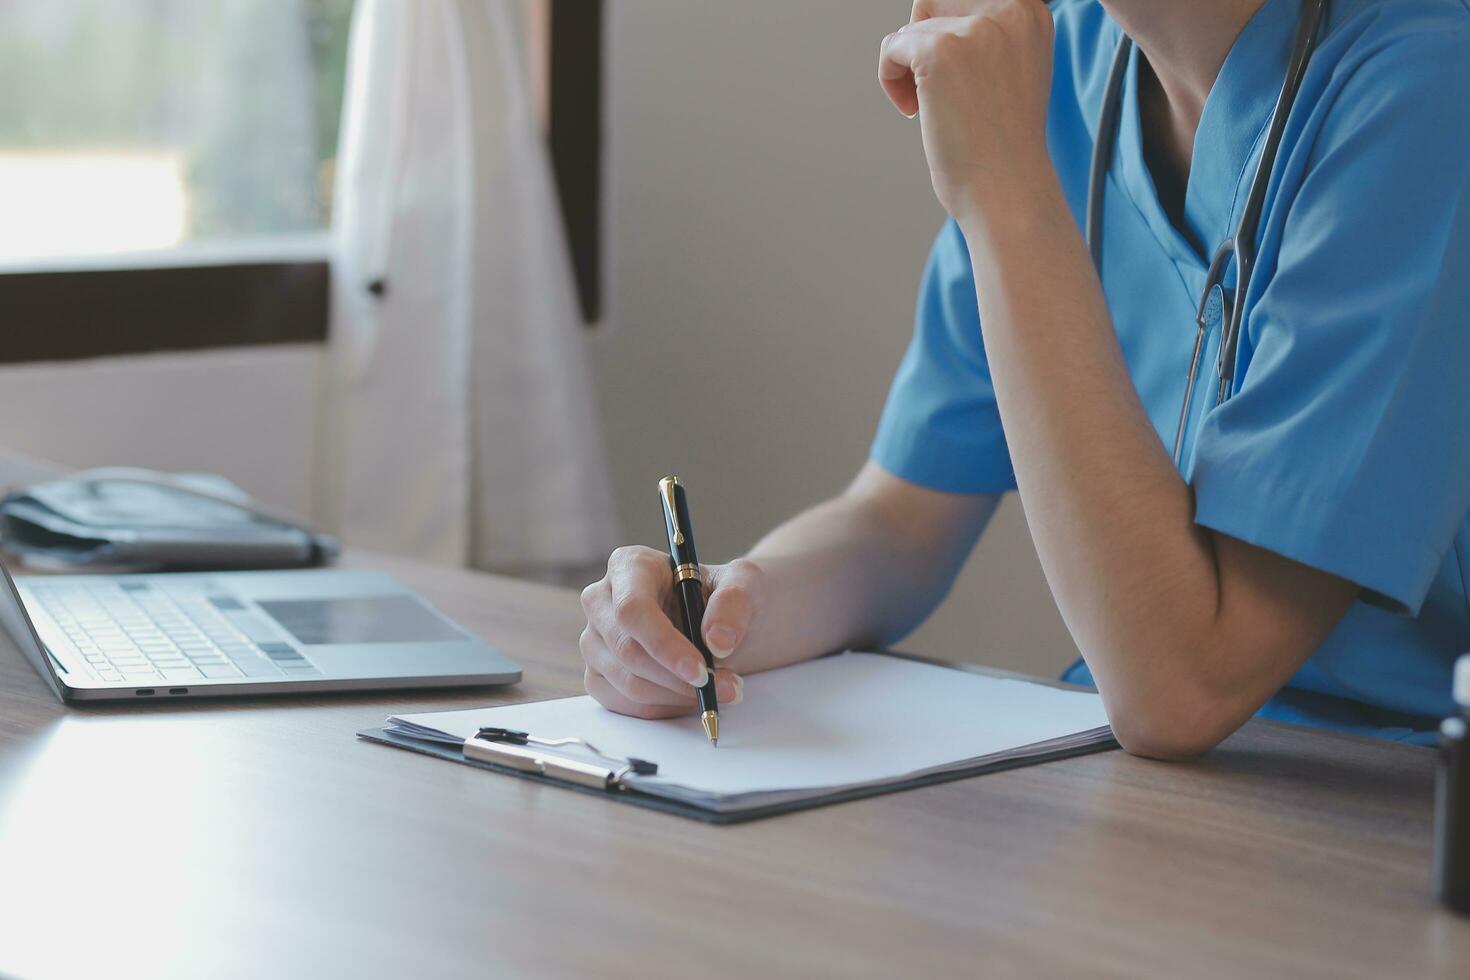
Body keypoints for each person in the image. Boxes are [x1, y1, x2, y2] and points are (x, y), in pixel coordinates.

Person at [578, 0, 1470, 757]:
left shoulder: (1430, 87)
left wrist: (1005, 191)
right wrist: (720, 617)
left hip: (1386, 805)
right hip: (1138, 783)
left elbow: (1186, 688)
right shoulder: (1069, 56)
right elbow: (899, 522)